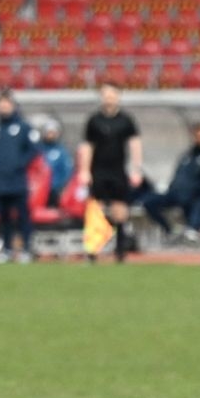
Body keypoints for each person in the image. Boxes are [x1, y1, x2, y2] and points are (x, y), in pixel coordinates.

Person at [80, 81, 143, 262]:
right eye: (106, 94)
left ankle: (120, 250)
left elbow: (135, 144)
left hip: (118, 170)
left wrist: (136, 169)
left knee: (120, 209)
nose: (109, 98)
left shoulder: (126, 120)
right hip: (98, 170)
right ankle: (93, 250)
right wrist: (85, 171)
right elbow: (87, 147)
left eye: (112, 94)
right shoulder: (94, 121)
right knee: (95, 210)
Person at [139, 122, 200, 244]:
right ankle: (170, 230)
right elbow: (179, 175)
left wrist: (196, 190)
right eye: (197, 136)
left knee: (198, 209)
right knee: (149, 201)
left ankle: (194, 233)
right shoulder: (187, 156)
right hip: (176, 193)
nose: (199, 139)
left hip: (195, 197)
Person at [0, 90, 38, 263]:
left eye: (6, 104)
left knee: (22, 216)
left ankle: (26, 249)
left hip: (17, 181)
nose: (3, 108)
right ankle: (7, 249)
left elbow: (33, 150)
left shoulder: (23, 127)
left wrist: (19, 164)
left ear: (13, 106)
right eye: (0, 104)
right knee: (4, 218)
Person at [34, 115, 72, 201]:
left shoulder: (61, 151)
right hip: (39, 189)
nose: (50, 135)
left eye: (53, 133)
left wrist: (62, 186)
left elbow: (66, 171)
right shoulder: (38, 150)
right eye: (48, 132)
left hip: (54, 188)